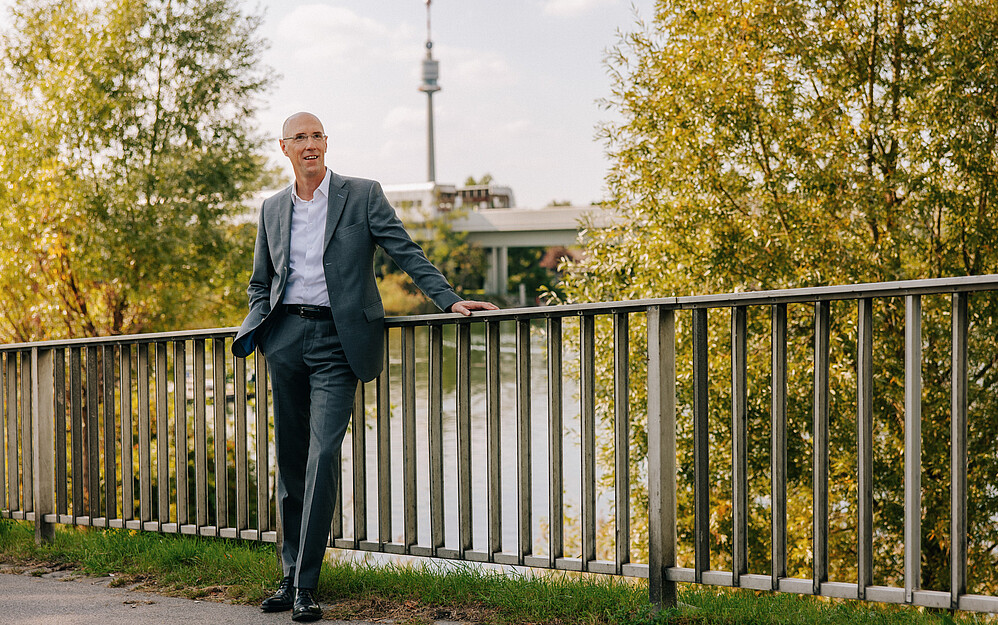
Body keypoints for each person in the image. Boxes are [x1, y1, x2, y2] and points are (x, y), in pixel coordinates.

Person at [232, 112, 497, 622]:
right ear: (284, 147)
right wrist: (258, 324)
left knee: (322, 453)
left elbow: (405, 251)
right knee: (289, 460)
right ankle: (289, 577)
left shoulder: (362, 194)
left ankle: (305, 584)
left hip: (339, 339)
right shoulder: (271, 209)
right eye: (300, 138)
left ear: (326, 144)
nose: (310, 145)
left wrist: (448, 300)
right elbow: (260, 281)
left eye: (317, 136)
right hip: (285, 337)